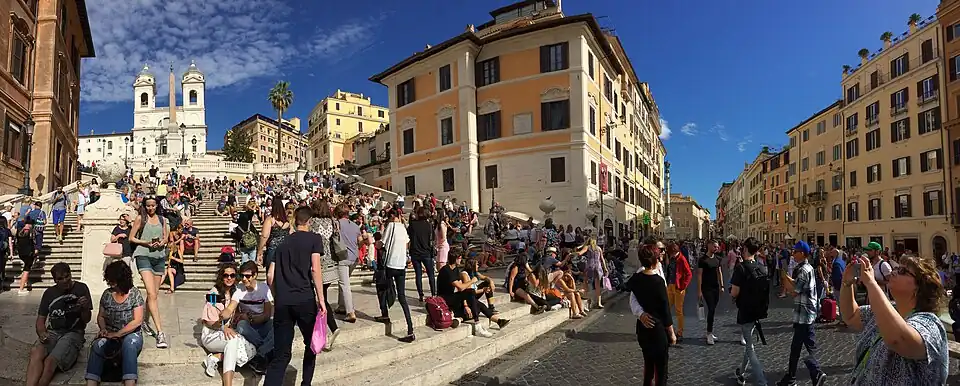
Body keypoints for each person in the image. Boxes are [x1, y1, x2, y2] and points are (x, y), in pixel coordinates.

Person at [840, 254, 949, 385]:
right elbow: (851, 316)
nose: (894, 271)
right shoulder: (889, 310)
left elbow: (899, 340)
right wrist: (847, 282)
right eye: (896, 268)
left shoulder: (930, 323)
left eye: (902, 271)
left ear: (919, 287)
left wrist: (871, 282)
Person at [265, 206, 327, 386]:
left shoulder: (282, 243)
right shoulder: (315, 239)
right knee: (312, 345)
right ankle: (305, 383)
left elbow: (270, 276)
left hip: (283, 302)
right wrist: (321, 299)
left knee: (281, 354)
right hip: (304, 299)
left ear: (295, 220)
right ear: (310, 221)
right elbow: (315, 268)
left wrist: (277, 297)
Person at [25, 263, 92, 386]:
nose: (65, 280)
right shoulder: (49, 293)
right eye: (60, 279)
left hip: (73, 332)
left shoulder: (81, 288)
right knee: (36, 352)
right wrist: (42, 333)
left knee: (50, 361)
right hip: (53, 331)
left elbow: (86, 320)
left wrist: (85, 308)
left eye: (67, 276)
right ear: (55, 280)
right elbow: (40, 320)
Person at [84, 261, 144, 385]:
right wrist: (103, 329)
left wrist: (118, 334)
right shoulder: (107, 294)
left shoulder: (135, 294)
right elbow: (101, 316)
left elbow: (137, 320)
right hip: (110, 332)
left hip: (131, 333)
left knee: (129, 345)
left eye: (113, 281)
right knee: (98, 345)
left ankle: (129, 381)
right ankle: (91, 381)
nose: (111, 284)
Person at [777, 241, 827, 386]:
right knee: (801, 346)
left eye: (796, 251)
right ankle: (793, 377)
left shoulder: (803, 270)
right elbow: (797, 284)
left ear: (802, 253)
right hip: (806, 313)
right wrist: (787, 277)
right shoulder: (806, 268)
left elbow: (793, 291)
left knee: (801, 347)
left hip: (804, 314)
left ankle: (816, 373)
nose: (793, 253)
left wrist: (783, 277)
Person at [199, 264, 256, 386]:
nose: (229, 278)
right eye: (226, 275)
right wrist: (222, 327)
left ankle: (217, 357)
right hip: (211, 334)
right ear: (221, 277)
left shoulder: (237, 292)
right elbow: (208, 321)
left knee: (252, 350)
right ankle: (228, 383)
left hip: (228, 331)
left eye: (232, 275)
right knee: (233, 341)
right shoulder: (214, 294)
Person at [627, 247, 675, 386]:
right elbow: (665, 309)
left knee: (648, 365)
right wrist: (671, 333)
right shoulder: (658, 281)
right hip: (657, 328)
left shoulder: (636, 278)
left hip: (643, 329)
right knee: (661, 369)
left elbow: (627, 287)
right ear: (654, 259)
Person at [128, 196, 170, 348]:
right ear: (144, 206)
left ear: (157, 205)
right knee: (152, 294)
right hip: (143, 255)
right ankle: (160, 333)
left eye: (153, 206)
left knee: (154, 295)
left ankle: (144, 322)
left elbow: (166, 238)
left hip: (159, 257)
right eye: (148, 206)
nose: (150, 208)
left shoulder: (163, 219)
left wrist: (161, 242)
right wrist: (145, 242)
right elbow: (131, 238)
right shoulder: (140, 218)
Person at [220, 261, 274, 374]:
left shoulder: (264, 288)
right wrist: (222, 314)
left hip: (262, 323)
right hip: (248, 327)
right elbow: (230, 308)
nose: (244, 279)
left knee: (277, 325)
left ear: (255, 275)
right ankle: (263, 352)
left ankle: (259, 354)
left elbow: (267, 315)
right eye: (242, 276)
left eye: (248, 276)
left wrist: (250, 318)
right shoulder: (239, 289)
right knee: (241, 326)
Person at [730, 237, 769, 386]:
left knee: (750, 347)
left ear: (745, 249)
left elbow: (734, 292)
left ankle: (761, 381)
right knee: (749, 342)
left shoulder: (740, 268)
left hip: (746, 311)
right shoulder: (762, 267)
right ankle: (741, 371)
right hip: (758, 310)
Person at [375, 206, 416, 343]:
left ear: (392, 215)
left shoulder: (391, 226)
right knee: (402, 297)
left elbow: (382, 244)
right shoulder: (403, 228)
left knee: (381, 287)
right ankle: (410, 329)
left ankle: (384, 313)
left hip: (390, 264)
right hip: (401, 265)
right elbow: (406, 244)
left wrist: (375, 243)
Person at [335, 206, 362, 324]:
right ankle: (341, 306)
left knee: (344, 284)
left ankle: (350, 312)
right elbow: (360, 241)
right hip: (354, 258)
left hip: (342, 257)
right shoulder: (355, 226)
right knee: (343, 281)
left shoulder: (336, 224)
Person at [664, 241, 693, 342]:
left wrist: (683, 286)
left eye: (671, 253)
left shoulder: (681, 259)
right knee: (667, 307)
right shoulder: (671, 258)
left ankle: (680, 332)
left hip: (678, 287)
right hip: (670, 286)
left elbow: (689, 274)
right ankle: (667, 328)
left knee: (678, 310)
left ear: (674, 251)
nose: (670, 254)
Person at [697, 240, 724, 345]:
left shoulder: (718, 259)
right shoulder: (702, 260)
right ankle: (709, 333)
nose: (716, 248)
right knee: (711, 309)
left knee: (713, 310)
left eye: (717, 247)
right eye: (715, 246)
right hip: (706, 288)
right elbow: (699, 275)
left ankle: (710, 332)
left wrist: (722, 285)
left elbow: (719, 272)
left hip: (715, 287)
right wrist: (699, 291)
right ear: (709, 246)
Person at [408, 206, 436, 303]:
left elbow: (409, 235)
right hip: (426, 252)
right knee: (431, 274)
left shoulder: (413, 224)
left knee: (418, 274)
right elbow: (432, 238)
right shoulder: (429, 225)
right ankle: (434, 293)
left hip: (415, 252)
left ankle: (421, 294)